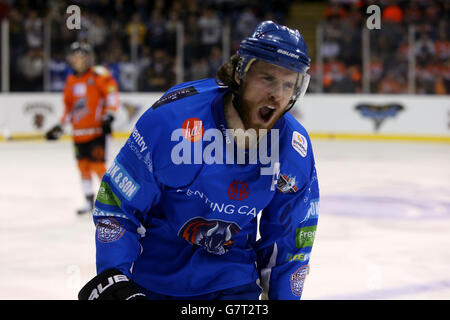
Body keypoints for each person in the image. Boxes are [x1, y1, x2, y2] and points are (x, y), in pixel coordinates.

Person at [78, 21, 319, 300]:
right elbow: (118, 205)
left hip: (233, 283)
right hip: (153, 283)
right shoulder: (171, 121)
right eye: (267, 78)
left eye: (288, 84)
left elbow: (291, 241)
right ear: (241, 72)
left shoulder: (293, 149)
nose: (277, 94)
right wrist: (114, 278)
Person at [45, 42, 119, 214]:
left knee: (98, 167)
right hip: (78, 133)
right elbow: (69, 108)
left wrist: (110, 115)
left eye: (82, 56)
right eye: (75, 56)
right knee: (83, 167)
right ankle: (88, 201)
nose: (78, 59)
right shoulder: (71, 80)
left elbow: (111, 94)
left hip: (96, 131)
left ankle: (113, 202)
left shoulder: (99, 75)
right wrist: (60, 125)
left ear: (88, 58)